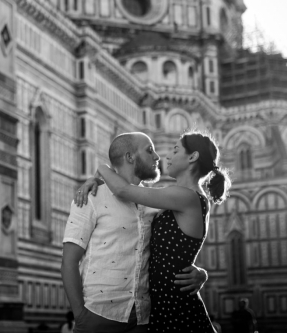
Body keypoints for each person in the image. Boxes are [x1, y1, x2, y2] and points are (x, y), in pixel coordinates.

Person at [80, 131, 230, 332]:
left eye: (175, 150)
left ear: (192, 157)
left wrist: (102, 169)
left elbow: (123, 190)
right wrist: (201, 273)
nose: (166, 156)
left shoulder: (185, 196)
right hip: (163, 305)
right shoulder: (178, 197)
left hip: (175, 307)